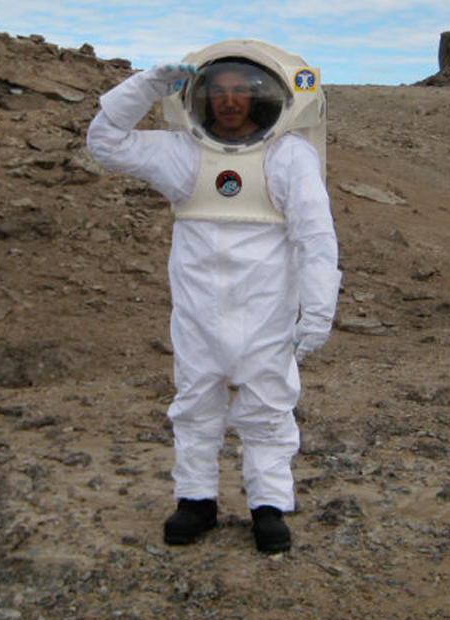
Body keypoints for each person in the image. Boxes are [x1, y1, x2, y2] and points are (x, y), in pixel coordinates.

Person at [86, 53, 341, 553]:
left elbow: (316, 236)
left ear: (263, 95)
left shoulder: (288, 156)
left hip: (265, 308)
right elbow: (105, 142)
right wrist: (146, 85)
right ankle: (195, 500)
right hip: (198, 307)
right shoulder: (185, 153)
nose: (228, 99)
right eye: (217, 89)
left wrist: (317, 311)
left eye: (241, 88)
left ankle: (268, 506)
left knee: (267, 407)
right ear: (200, 95)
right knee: (196, 401)